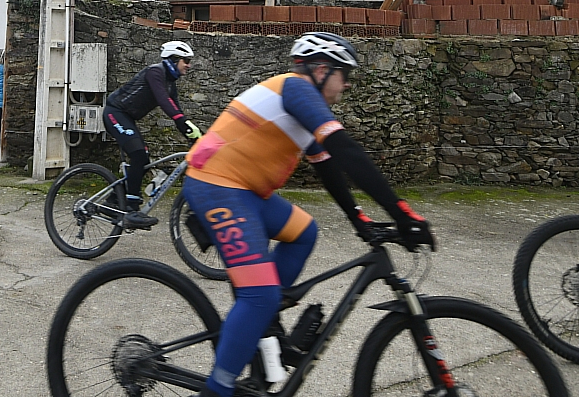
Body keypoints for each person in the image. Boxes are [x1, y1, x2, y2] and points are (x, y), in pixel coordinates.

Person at [182, 32, 433, 397]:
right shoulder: (296, 89)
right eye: (344, 74)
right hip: (215, 186)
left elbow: (328, 167)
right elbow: (346, 151)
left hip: (247, 192)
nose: (347, 84)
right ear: (320, 69)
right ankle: (218, 387)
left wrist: (359, 220)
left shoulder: (304, 104)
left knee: (304, 232)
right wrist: (402, 213)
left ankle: (262, 324)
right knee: (259, 295)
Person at [103, 41, 202, 230]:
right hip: (115, 112)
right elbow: (163, 101)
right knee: (139, 154)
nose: (189, 65)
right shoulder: (155, 72)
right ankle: (132, 209)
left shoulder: (170, 84)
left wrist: (193, 136)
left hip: (127, 118)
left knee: (143, 158)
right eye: (186, 61)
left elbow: (176, 111)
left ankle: (113, 200)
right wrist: (183, 121)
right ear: (174, 59)